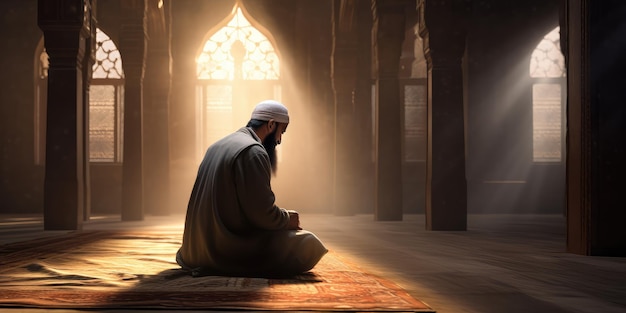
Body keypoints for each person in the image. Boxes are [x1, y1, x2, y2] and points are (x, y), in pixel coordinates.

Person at [176, 100, 328, 277]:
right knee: (308, 243)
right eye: (281, 132)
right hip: (221, 251)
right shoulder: (253, 151)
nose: (279, 140)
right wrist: (288, 219)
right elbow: (262, 215)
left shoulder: (217, 145)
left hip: (193, 251)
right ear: (271, 125)